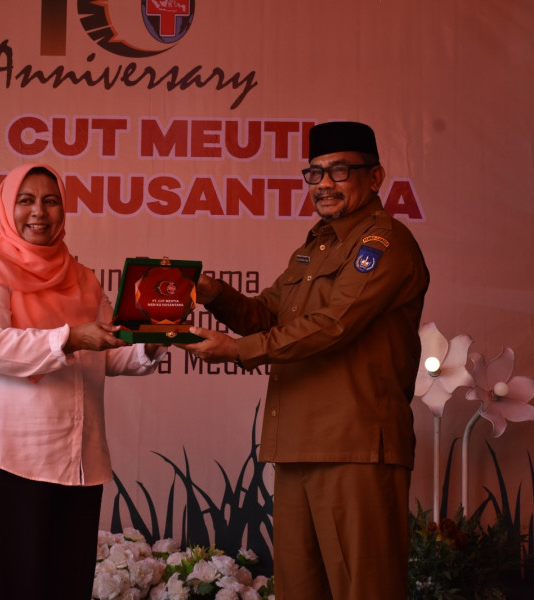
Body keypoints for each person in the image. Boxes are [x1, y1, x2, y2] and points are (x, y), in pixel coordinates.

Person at [179, 121, 429, 599]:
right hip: (296, 443)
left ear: (374, 178)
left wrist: (235, 351)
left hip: (353, 444)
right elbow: (267, 315)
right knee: (299, 589)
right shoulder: (315, 246)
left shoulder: (384, 243)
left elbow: (336, 324)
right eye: (314, 175)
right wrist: (211, 292)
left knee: (365, 588)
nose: (324, 186)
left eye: (339, 171)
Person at [0, 164, 164, 600]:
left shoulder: (79, 276)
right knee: (7, 590)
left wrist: (152, 343)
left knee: (65, 586)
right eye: (26, 200)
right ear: (7, 207)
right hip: (2, 457)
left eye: (51, 200)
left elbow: (104, 352)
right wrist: (70, 336)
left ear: (64, 209)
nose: (38, 212)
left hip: (74, 460)